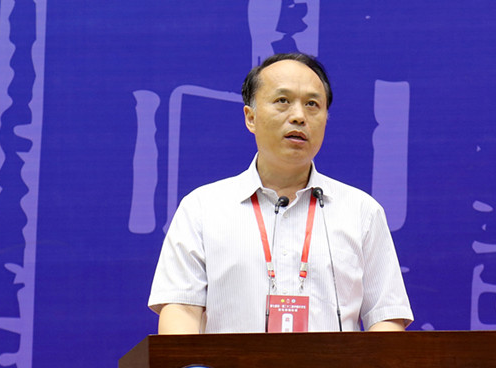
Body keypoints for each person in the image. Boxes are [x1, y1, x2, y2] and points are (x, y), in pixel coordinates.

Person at [148, 53, 413, 334]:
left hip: (332, 366)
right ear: (251, 117)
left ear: (326, 119)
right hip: (233, 365)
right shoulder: (202, 208)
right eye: (283, 101)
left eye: (312, 104)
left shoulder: (361, 211)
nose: (299, 116)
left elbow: (386, 317)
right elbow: (181, 311)